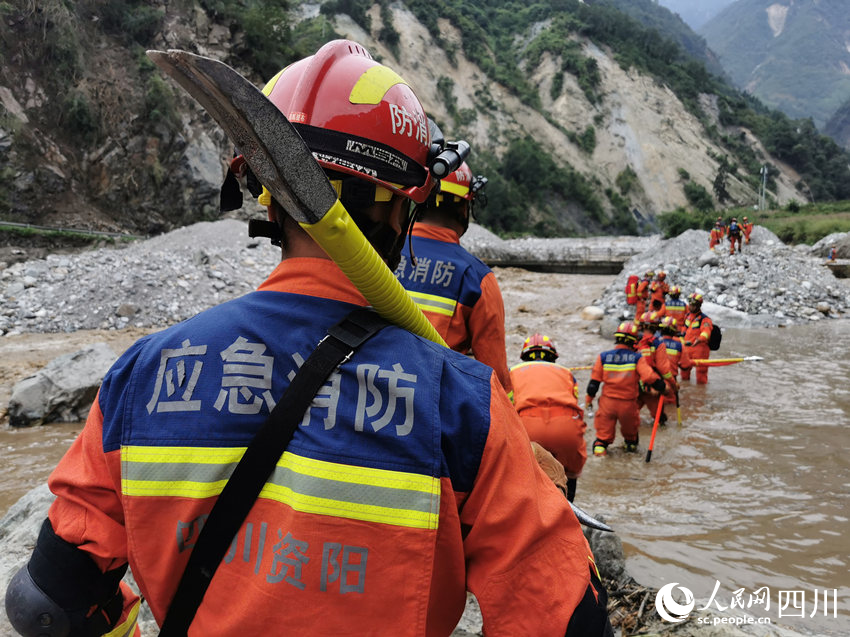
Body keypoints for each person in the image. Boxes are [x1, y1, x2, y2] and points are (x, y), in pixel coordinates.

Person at [5, 40, 612, 637]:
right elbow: (560, 619)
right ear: (405, 210)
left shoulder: (143, 373)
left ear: (268, 202)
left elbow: (47, 602)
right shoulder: (464, 407)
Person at [397, 162, 513, 397]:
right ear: (464, 209)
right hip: (432, 406)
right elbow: (494, 377)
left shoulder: (373, 254)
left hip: (365, 396)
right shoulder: (477, 277)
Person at [510, 333, 587, 502]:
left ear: (525, 357)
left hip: (528, 426)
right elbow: (574, 402)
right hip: (565, 428)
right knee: (569, 471)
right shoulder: (567, 373)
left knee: (520, 473)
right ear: (553, 357)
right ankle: (569, 511)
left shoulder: (512, 372)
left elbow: (506, 406)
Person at [585, 321, 665, 456]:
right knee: (631, 438)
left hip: (607, 404)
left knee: (602, 439)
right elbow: (649, 377)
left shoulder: (603, 357)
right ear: (634, 341)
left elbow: (594, 384)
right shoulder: (637, 358)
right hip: (628, 405)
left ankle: (600, 457)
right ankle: (629, 454)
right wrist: (662, 386)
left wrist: (588, 401)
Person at [635, 311, 677, 426]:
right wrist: (673, 385)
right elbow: (664, 370)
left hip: (635, 386)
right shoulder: (658, 344)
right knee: (659, 419)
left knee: (631, 414)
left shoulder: (634, 343)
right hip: (652, 386)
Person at [682, 292, 714, 384]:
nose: (690, 307)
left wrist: (700, 339)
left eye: (693, 305)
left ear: (698, 306)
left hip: (700, 350)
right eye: (690, 304)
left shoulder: (705, 319)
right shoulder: (687, 317)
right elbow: (684, 330)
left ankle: (701, 395)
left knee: (701, 375)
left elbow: (706, 332)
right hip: (687, 349)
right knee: (684, 372)